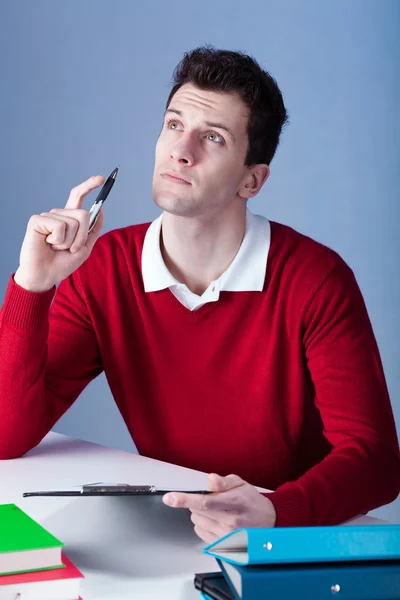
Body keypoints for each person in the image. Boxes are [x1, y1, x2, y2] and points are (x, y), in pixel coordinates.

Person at [0, 47, 399, 542]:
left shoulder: (316, 279)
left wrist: (278, 510)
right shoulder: (102, 269)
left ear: (252, 180)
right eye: (173, 124)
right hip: (171, 534)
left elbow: (376, 460)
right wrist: (31, 285)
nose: (181, 150)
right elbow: (5, 438)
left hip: (288, 540)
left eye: (213, 137)